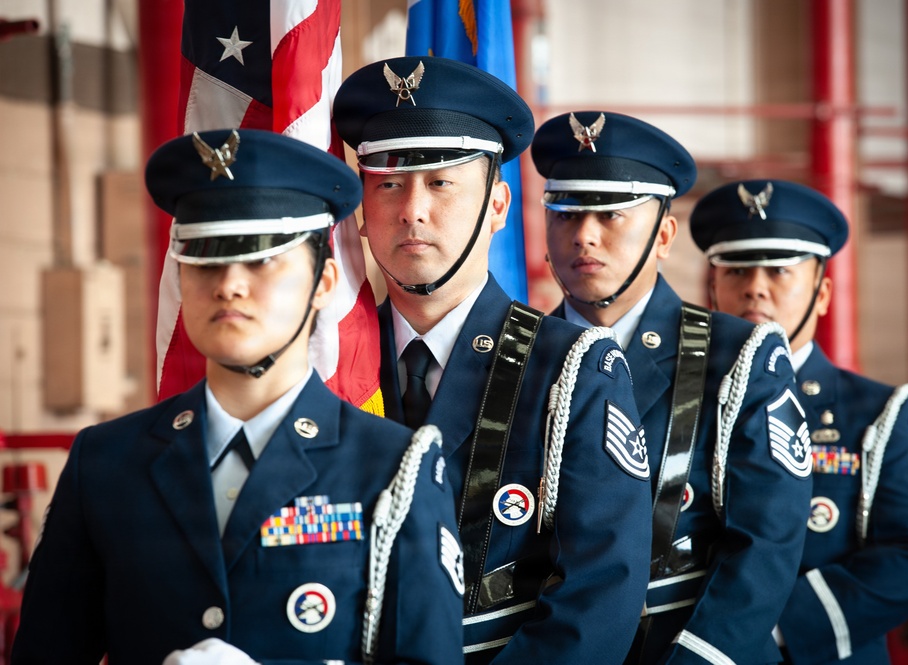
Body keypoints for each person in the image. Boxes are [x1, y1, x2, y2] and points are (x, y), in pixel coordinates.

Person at [11, 129, 464, 665]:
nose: (228, 284)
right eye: (205, 257)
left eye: (262, 259)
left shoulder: (391, 467)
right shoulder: (107, 463)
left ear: (322, 283)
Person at [332, 58, 652, 664]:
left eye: (441, 183)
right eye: (388, 183)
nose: (411, 211)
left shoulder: (574, 370)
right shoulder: (328, 365)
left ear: (499, 207)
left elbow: (600, 595)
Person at [532, 111, 814, 664]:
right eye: (565, 212)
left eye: (611, 213)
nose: (584, 234)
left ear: (663, 235)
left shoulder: (739, 359)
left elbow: (766, 545)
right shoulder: (518, 355)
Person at [690, 179, 908, 664]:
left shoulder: (880, 414)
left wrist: (757, 629)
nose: (754, 287)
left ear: (823, 291)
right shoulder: (678, 403)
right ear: (713, 288)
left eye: (779, 270)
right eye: (736, 270)